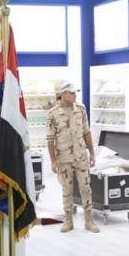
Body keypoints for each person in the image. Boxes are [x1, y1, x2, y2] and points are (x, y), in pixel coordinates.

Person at [46, 83, 98, 233]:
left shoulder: (81, 109)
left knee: (86, 188)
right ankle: (68, 221)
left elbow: (87, 132)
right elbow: (50, 139)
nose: (75, 96)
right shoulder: (53, 114)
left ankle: (89, 221)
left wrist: (92, 153)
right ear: (63, 94)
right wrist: (53, 160)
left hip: (81, 156)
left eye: (75, 93)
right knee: (67, 190)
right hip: (63, 158)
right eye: (72, 93)